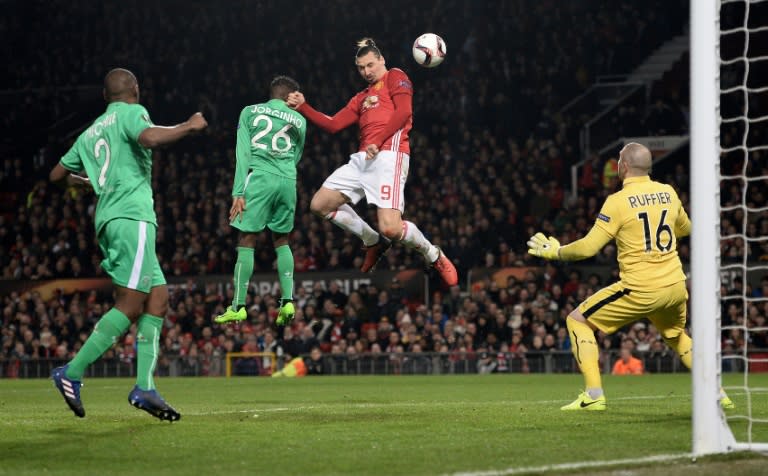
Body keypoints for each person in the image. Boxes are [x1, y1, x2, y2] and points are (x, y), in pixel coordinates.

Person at [48, 68, 208, 420]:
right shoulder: (133, 112)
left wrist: (87, 184)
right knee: (132, 303)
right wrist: (187, 126)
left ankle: (145, 387)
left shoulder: (92, 130)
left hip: (112, 217)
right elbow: (148, 138)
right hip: (130, 217)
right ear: (135, 89)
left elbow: (56, 175)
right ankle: (71, 373)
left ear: (106, 96)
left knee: (158, 299)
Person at [527, 142, 734, 411]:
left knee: (577, 320)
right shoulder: (668, 192)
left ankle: (593, 394)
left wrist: (556, 251)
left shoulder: (617, 202)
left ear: (623, 167)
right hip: (675, 286)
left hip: (640, 288)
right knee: (676, 336)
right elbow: (685, 229)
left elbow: (589, 248)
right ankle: (718, 393)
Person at [286, 38, 457, 286]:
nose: (366, 72)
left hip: (390, 154)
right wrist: (304, 107)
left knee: (391, 228)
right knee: (320, 204)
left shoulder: (395, 76)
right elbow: (333, 124)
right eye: (361, 68)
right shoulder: (361, 97)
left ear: (381, 60)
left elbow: (403, 112)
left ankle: (433, 254)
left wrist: (378, 139)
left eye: (370, 65)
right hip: (364, 158)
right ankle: (372, 241)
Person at [214, 76, 306, 327]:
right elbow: (296, 154)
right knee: (282, 240)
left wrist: (238, 192)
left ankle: (238, 306)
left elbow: (242, 153)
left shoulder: (249, 112)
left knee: (247, 239)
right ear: (290, 96)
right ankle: (287, 300)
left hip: (259, 178)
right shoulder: (300, 120)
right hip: (288, 180)